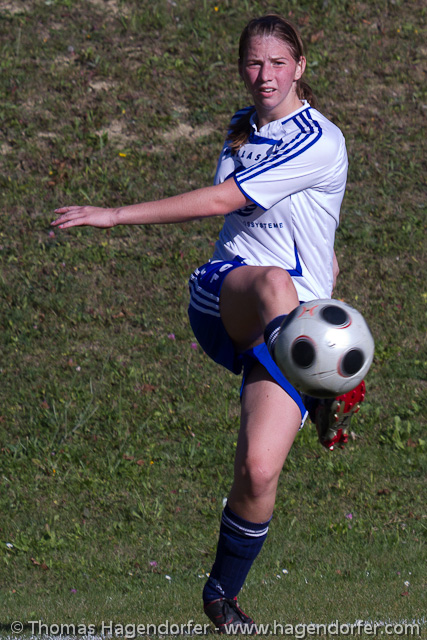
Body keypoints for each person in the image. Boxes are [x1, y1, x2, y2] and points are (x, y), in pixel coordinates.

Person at [52, 14, 366, 634]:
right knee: (273, 282)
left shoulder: (320, 138)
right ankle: (327, 390)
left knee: (258, 470)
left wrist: (325, 262)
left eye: (278, 63)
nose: (265, 75)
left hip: (293, 326)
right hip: (227, 293)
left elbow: (309, 216)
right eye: (253, 62)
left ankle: (222, 597)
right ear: (240, 67)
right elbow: (229, 202)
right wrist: (112, 215)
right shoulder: (240, 127)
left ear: (300, 67)